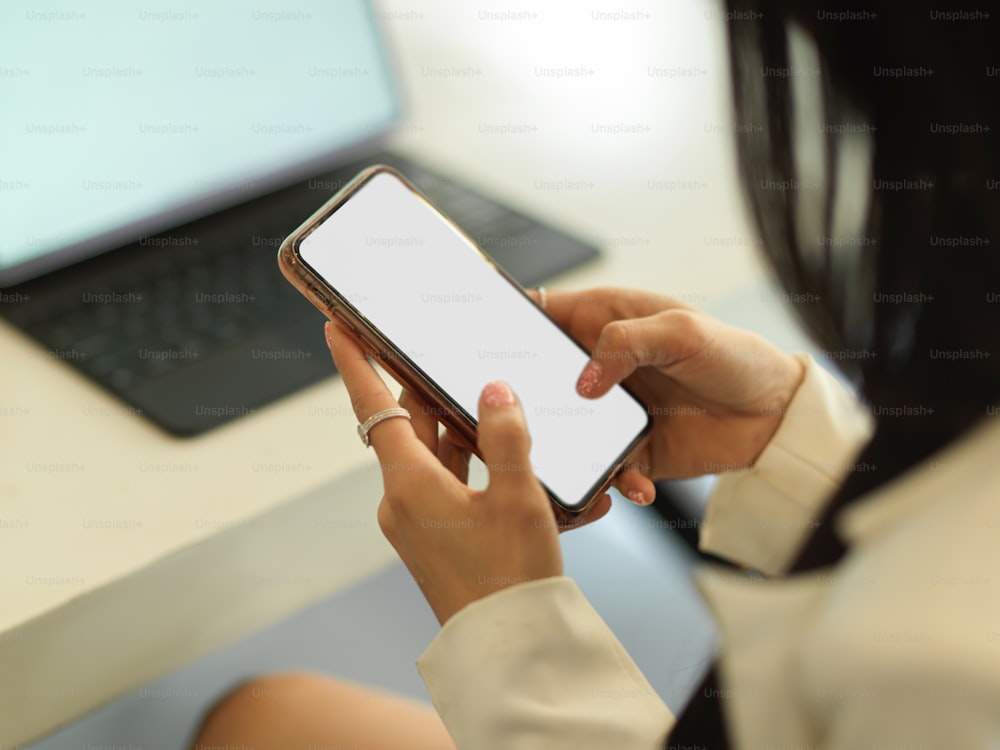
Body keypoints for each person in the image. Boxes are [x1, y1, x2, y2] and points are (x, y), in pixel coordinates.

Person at [192, 1, 1000, 748]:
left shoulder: (928, 664)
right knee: (266, 718)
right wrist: (797, 437)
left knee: (258, 722)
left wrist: (503, 623)